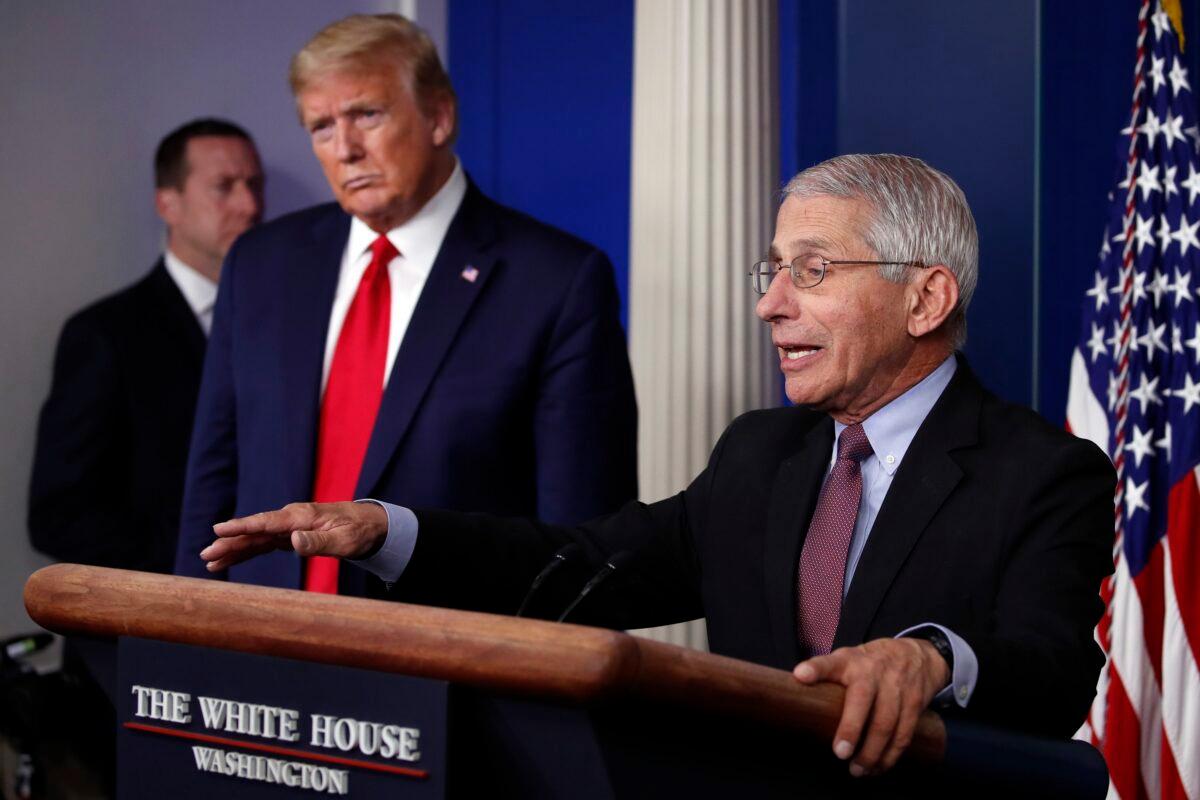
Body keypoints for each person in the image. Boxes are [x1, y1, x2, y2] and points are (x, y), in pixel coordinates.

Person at [200, 154, 1114, 777]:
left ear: (925, 296)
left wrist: (930, 661)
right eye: (771, 272)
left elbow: (1048, 674)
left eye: (813, 270)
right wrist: (385, 530)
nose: (771, 305)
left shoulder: (1043, 473)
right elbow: (578, 574)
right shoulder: (760, 454)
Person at [173, 14, 637, 596]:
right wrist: (188, 635)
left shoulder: (556, 281)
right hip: (264, 650)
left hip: (447, 664)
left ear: (439, 117)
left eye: (367, 114)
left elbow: (580, 539)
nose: (345, 148)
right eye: (321, 126)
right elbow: (212, 484)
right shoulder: (261, 264)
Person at [30, 118, 264, 572]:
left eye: (255, 184)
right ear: (168, 205)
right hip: (146, 625)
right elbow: (58, 517)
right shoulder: (105, 334)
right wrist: (198, 563)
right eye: (224, 186)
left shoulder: (286, 321)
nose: (250, 205)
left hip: (266, 617)